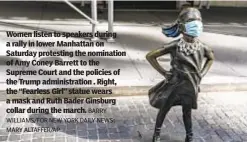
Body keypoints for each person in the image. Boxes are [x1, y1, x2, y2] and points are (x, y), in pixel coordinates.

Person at [146, 7, 214, 142]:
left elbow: (211, 58)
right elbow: (150, 56)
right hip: (175, 84)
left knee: (187, 112)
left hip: (191, 85)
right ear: (182, 26)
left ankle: (189, 136)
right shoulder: (175, 45)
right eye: (192, 21)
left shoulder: (203, 47)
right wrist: (164, 73)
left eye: (199, 20)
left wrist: (201, 74)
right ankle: (156, 134)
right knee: (164, 109)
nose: (197, 24)